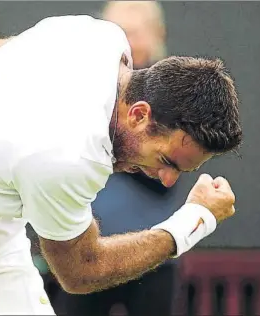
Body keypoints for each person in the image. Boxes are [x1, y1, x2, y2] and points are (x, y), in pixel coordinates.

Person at [0, 15, 242, 315]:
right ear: (139, 114)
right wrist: (193, 221)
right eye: (167, 160)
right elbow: (81, 271)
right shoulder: (70, 155)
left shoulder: (97, 37)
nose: (168, 177)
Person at [52, 3, 178, 315]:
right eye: (118, 33)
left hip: (152, 254)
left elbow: (165, 180)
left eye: (134, 33)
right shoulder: (79, 91)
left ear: (156, 34)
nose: (126, 44)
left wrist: (112, 144)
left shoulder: (175, 96)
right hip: (83, 246)